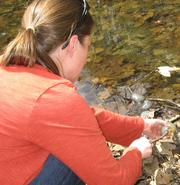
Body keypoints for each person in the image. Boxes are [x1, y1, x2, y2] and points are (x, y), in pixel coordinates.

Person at [0, 0, 167, 185]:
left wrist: (140, 126)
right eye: (87, 46)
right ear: (72, 44)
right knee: (86, 153)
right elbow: (114, 181)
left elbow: (78, 120)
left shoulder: (7, 67)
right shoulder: (53, 98)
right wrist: (135, 152)